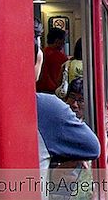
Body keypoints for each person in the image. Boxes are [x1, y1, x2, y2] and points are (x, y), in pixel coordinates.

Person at [34, 19, 100, 166]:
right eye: (63, 41)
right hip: (53, 99)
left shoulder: (60, 59)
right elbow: (92, 148)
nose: (63, 44)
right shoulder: (60, 57)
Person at [37, 27, 68, 93]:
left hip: (39, 89)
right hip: (54, 90)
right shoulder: (61, 57)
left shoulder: (41, 53)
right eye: (63, 40)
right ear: (57, 41)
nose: (64, 42)